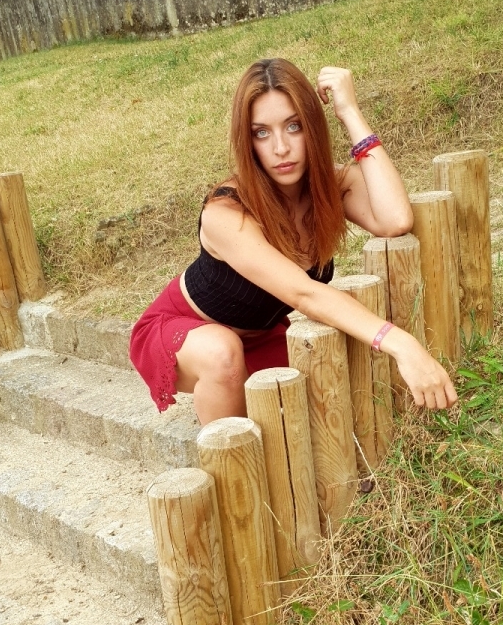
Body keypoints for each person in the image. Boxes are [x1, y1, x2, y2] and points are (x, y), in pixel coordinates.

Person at [130, 58, 457, 425]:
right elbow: (304, 294)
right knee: (223, 354)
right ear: (247, 141)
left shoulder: (328, 187)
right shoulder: (226, 211)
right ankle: (225, 459)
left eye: (294, 126)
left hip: (263, 336)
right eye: (261, 133)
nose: (281, 147)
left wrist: (350, 112)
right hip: (184, 330)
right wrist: (402, 343)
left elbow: (395, 220)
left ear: (312, 128)